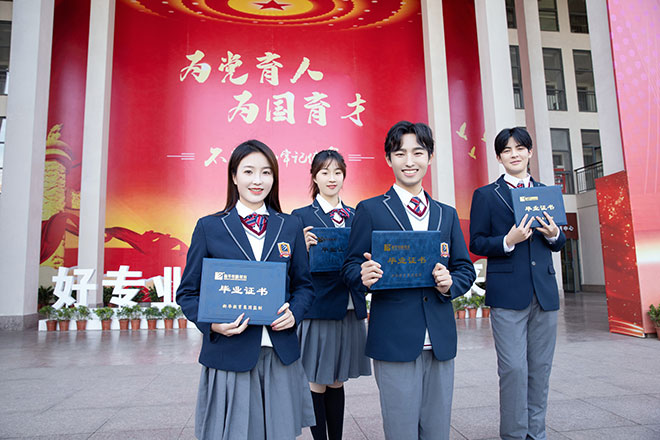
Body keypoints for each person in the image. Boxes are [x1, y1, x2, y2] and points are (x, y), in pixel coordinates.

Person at [340, 121, 476, 440]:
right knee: (400, 429)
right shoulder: (371, 210)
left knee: (437, 431)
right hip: (394, 339)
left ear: (430, 157)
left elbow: (464, 269)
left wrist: (450, 283)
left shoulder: (445, 214)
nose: (409, 161)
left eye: (418, 152)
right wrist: (362, 275)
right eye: (400, 153)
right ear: (389, 159)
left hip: (439, 339)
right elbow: (349, 266)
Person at [176, 140, 316, 440]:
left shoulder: (289, 226)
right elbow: (187, 293)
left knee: (280, 434)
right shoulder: (210, 227)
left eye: (266, 172)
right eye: (249, 171)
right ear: (234, 176)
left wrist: (295, 313)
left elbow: (304, 285)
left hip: (279, 352)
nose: (257, 180)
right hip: (230, 353)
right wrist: (212, 324)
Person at [469, 127, 566, 440]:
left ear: (529, 152)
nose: (514, 154)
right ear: (499, 157)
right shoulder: (486, 195)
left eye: (520, 148)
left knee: (540, 368)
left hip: (544, 293)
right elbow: (477, 242)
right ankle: (513, 434)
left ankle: (536, 434)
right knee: (513, 369)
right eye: (507, 150)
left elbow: (559, 241)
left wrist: (555, 234)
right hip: (507, 294)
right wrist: (507, 241)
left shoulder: (546, 192)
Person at [291, 150, 371, 440]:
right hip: (319, 307)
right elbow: (290, 267)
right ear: (314, 177)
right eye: (324, 172)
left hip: (349, 306)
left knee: (337, 380)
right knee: (317, 380)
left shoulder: (357, 216)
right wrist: (302, 248)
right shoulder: (300, 217)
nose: (331, 178)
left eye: (337, 172)